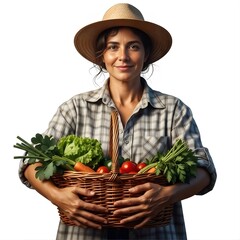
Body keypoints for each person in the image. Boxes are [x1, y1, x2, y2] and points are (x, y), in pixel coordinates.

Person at [18, 3, 217, 240]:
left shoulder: (173, 110)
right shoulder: (75, 108)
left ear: (146, 54)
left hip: (155, 233)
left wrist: (167, 195)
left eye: (133, 47)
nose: (123, 56)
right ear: (102, 56)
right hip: (84, 233)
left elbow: (204, 170)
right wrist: (58, 197)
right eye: (113, 47)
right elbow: (32, 162)